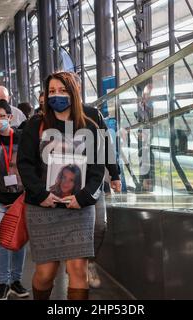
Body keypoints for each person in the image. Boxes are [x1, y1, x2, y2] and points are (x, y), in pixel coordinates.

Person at [18, 71, 105, 300]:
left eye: (63, 90)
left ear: (74, 93)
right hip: (42, 207)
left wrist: (83, 198)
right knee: (46, 273)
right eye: (52, 91)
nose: (57, 95)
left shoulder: (92, 126)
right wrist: (40, 194)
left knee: (78, 269)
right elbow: (24, 165)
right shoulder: (34, 124)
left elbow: (98, 170)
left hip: (79, 207)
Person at [69, 72, 122, 288]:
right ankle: (75, 264)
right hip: (64, 182)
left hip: (92, 179)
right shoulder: (50, 117)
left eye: (69, 87)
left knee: (99, 225)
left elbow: (106, 145)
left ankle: (90, 262)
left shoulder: (92, 114)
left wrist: (115, 174)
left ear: (78, 89)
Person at [0, 99, 29, 300]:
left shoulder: (22, 137)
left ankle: (16, 280)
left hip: (21, 198)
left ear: (10, 117)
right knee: (1, 240)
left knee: (20, 239)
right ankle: (3, 282)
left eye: (2, 116)